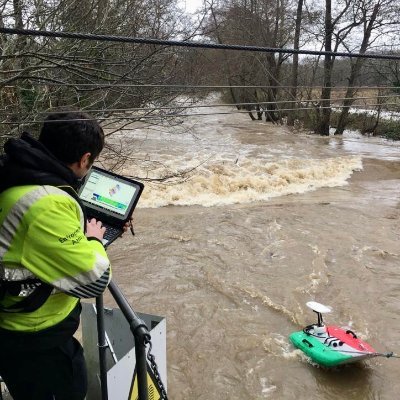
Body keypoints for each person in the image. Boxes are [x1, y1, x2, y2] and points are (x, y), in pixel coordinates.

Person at [0, 111, 118, 399]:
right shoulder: (46, 205)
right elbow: (95, 280)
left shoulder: (19, 171)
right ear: (85, 159)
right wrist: (94, 240)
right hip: (34, 335)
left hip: (17, 328)